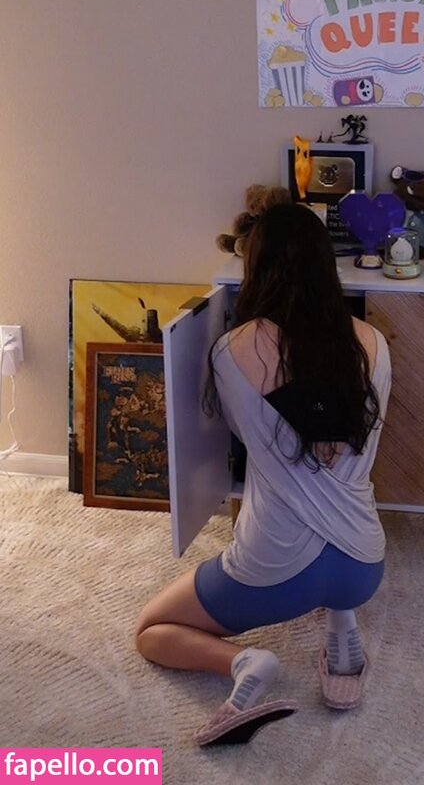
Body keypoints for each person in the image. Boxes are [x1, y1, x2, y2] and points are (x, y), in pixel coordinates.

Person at [135, 202, 392, 746]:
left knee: (152, 630)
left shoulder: (232, 351)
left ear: (258, 267)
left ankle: (245, 662)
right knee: (335, 530)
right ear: (326, 265)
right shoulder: (374, 345)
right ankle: (342, 625)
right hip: (363, 565)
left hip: (273, 571)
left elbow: (236, 432)